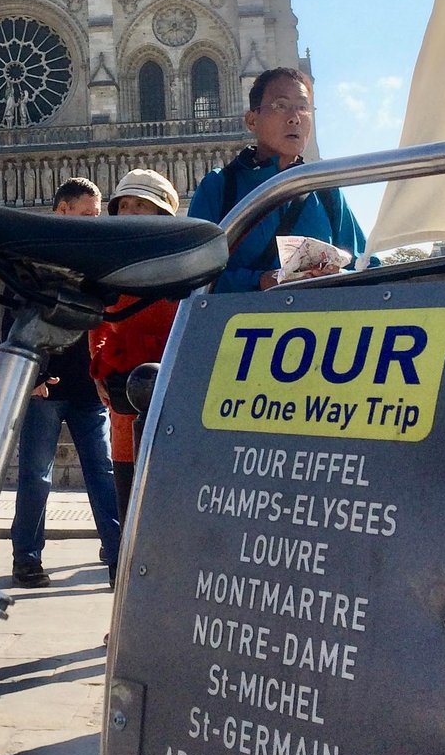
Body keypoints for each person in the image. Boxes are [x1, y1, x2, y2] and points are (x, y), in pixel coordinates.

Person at [9, 178, 122, 589]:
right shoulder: (34, 259)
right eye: (88, 213)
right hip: (47, 387)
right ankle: (27, 558)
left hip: (88, 385)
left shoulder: (97, 259)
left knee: (103, 471)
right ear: (62, 210)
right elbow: (16, 318)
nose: (95, 221)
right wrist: (34, 377)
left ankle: (118, 554)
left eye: (97, 214)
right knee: (36, 475)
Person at [186, 67, 369, 292]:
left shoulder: (326, 191)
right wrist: (260, 281)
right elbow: (190, 277)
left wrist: (339, 276)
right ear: (252, 120)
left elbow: (368, 267)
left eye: (303, 107)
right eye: (280, 106)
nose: (294, 118)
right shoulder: (219, 187)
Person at [90, 169, 182, 524]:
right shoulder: (110, 264)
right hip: (125, 387)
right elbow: (96, 320)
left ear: (162, 212)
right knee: (130, 501)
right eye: (123, 205)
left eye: (140, 205)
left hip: (173, 380)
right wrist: (98, 366)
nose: (129, 212)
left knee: (170, 502)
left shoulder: (184, 260)